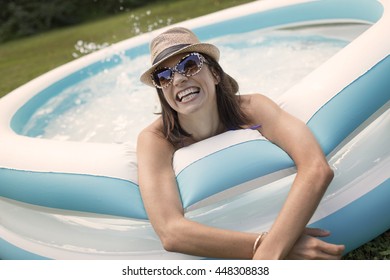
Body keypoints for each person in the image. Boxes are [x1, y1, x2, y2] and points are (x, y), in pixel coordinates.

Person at [137, 27, 345, 259]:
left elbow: (316, 167)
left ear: (215, 74)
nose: (178, 79)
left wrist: (271, 250)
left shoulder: (253, 109)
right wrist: (272, 246)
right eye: (163, 76)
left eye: (189, 65)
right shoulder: (155, 140)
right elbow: (171, 232)